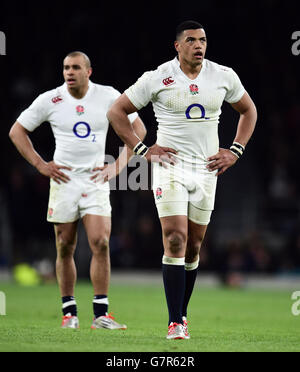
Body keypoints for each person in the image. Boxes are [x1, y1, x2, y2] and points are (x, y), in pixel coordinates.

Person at [107, 21, 257, 339]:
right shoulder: (157, 77)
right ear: (178, 46)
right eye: (191, 40)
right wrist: (143, 150)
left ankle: (182, 314)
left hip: (206, 169)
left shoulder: (223, 76)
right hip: (169, 166)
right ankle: (174, 322)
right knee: (175, 238)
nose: (198, 45)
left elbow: (249, 111)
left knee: (194, 247)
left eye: (202, 40)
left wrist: (236, 151)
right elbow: (117, 111)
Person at [9, 51, 146, 329]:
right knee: (64, 246)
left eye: (75, 68)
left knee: (101, 242)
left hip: (95, 180)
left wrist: (117, 167)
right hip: (64, 182)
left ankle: (101, 315)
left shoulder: (108, 96)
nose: (69, 72)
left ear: (88, 72)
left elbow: (139, 129)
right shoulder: (51, 99)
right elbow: (17, 131)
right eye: (65, 68)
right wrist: (40, 164)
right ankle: (69, 314)